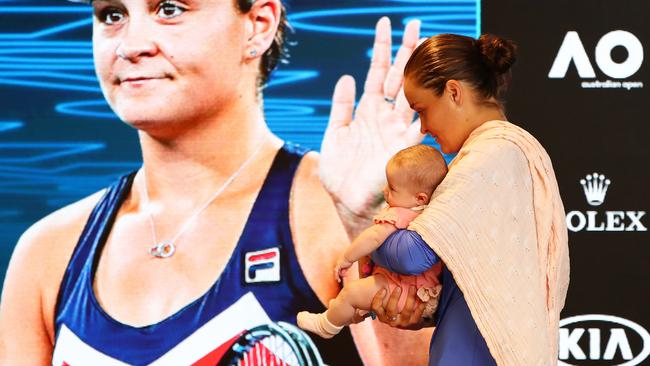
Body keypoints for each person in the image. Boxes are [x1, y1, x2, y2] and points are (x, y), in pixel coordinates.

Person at [0, 1, 431, 365]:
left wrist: (374, 225)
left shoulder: (336, 216)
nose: (130, 45)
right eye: (112, 14)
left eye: (169, 9)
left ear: (258, 25)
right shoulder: (47, 253)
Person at [321, 33, 571, 365]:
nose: (423, 127)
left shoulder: (490, 155)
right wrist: (414, 306)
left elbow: (413, 255)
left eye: (422, 110)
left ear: (453, 92)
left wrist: (377, 228)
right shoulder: (500, 152)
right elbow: (466, 287)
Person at [297, 145, 447, 338]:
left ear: (419, 198)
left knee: (350, 293)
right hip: (420, 291)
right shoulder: (431, 215)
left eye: (392, 188)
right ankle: (352, 312)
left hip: (401, 289)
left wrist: (347, 257)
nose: (385, 192)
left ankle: (327, 325)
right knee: (359, 294)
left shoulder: (400, 214)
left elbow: (374, 236)